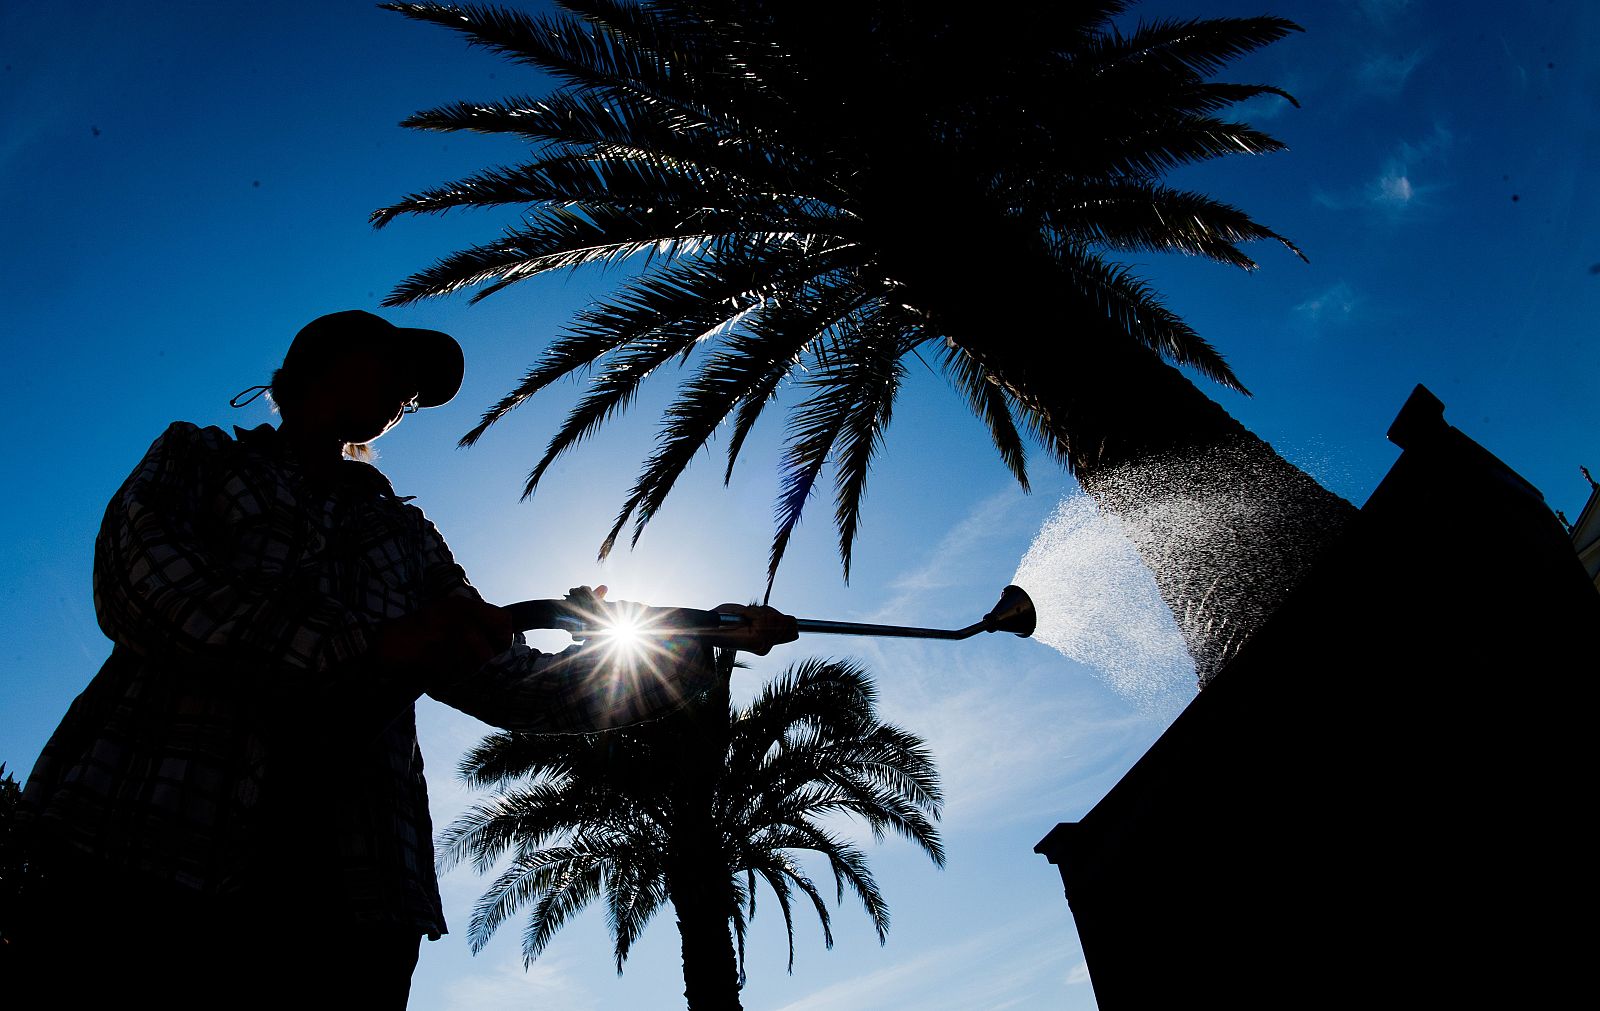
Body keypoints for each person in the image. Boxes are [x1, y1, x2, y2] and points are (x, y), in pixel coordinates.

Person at [14, 310, 796, 1008]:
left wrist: (698, 647)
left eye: (412, 391)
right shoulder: (200, 457)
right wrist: (365, 647)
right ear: (309, 371)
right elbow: (141, 580)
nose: (404, 395)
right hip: (136, 850)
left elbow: (512, 682)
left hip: (353, 904)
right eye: (392, 366)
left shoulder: (410, 538)